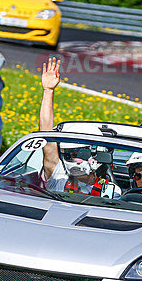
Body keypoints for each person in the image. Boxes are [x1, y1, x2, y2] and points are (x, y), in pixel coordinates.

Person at [38, 57, 122, 198]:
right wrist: (48, 91)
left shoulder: (110, 191)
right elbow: (46, 134)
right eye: (69, 154)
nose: (72, 159)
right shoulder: (59, 178)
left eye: (77, 154)